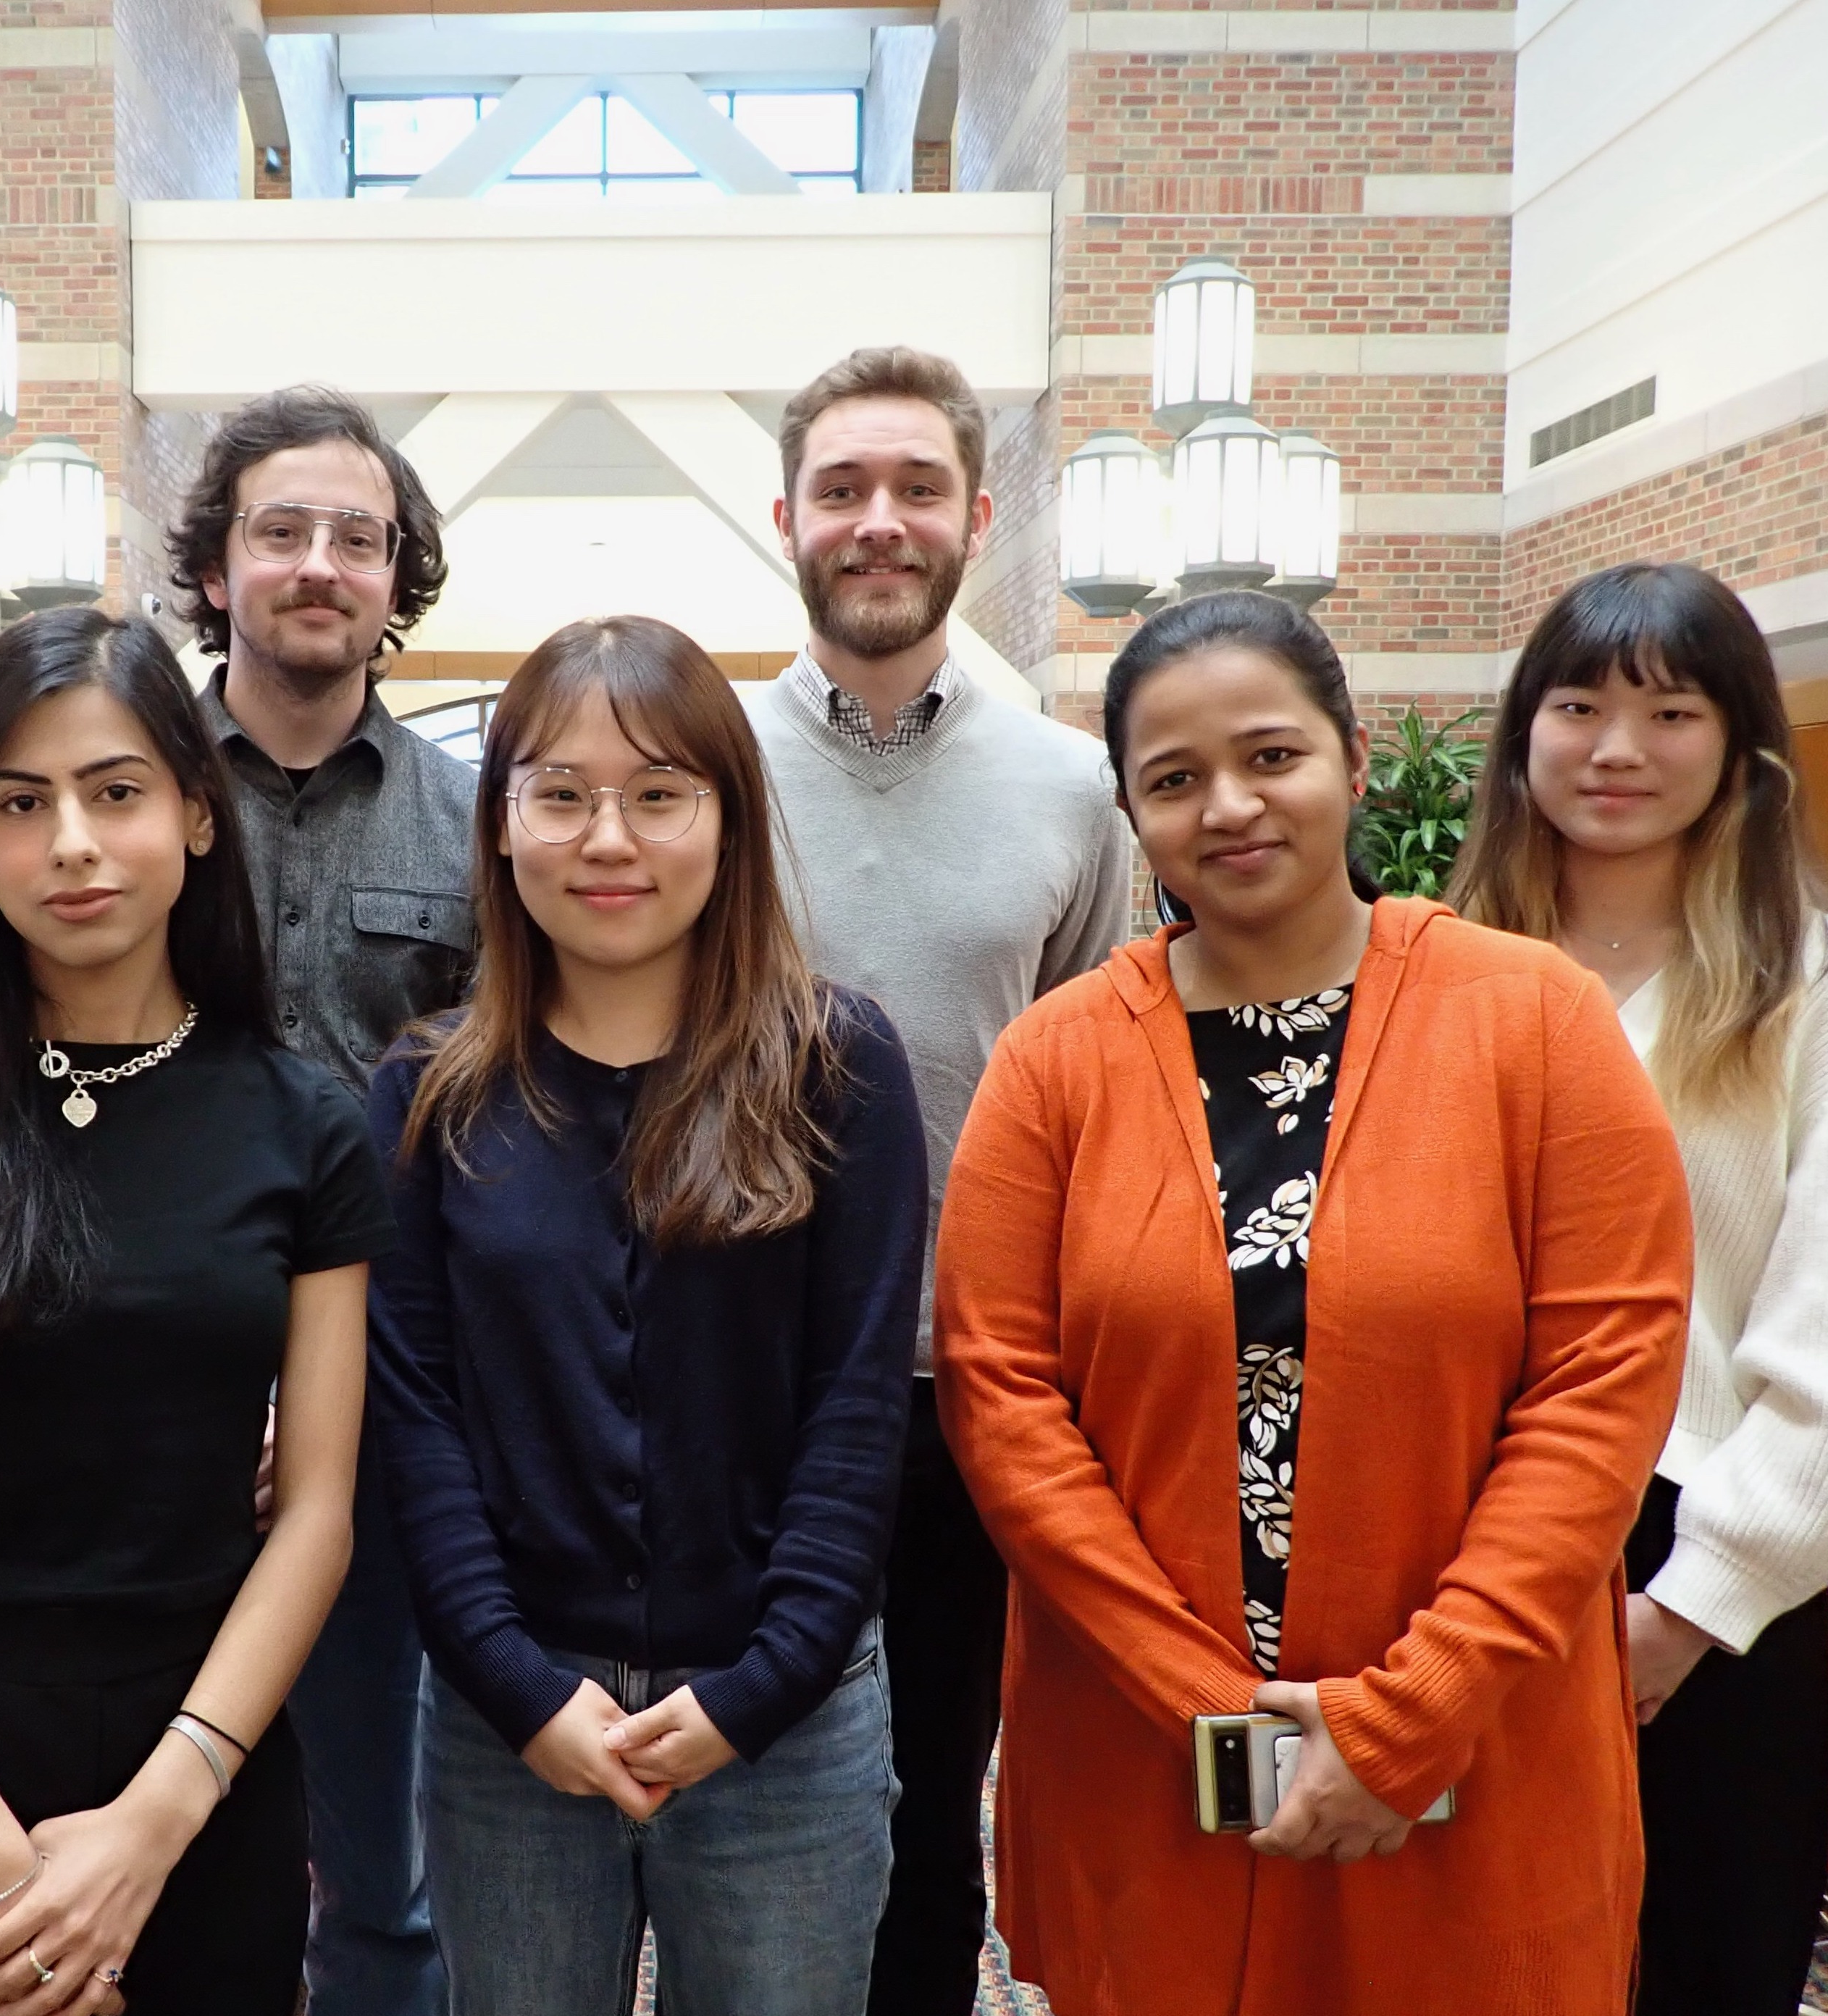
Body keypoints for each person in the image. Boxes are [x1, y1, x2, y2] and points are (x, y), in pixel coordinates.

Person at [936, 589, 1694, 2016]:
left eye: (1268, 755)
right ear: (1128, 814)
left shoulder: (1531, 1022)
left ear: (1350, 758)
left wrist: (1408, 1714)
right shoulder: (1051, 1064)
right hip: (1141, 1745)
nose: (1227, 806)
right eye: (1171, 780)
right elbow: (1001, 1400)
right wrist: (1206, 1707)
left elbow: (1602, 1387)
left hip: (1476, 1738)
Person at [0, 606, 390, 2012]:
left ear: (196, 814)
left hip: (201, 1783)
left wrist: (151, 1828)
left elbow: (317, 1514)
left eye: (115, 794)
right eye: (19, 803)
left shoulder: (305, 1130)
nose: (72, 846)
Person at [369, 615, 928, 2015]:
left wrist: (762, 1687)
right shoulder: (431, 1092)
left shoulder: (837, 1063)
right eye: (559, 793)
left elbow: (859, 1407)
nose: (607, 837)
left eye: (658, 794)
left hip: (783, 1721)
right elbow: (418, 1414)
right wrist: (512, 1681)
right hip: (515, 1727)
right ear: (500, 827)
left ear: (729, 822)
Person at [1446, 562, 1828, 2016]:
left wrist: (1682, 1612)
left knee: (1693, 1974)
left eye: (1668, 711)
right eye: (1576, 705)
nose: (1613, 748)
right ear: (1519, 735)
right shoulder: (1440, 971)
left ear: (1737, 746)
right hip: (1451, 1549)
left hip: (1706, 1565)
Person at [739, 346, 1133, 2016]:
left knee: (924, 1803)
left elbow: (1111, 1094)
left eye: (913, 490)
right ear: (786, 521)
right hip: (736, 1370)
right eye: (841, 490)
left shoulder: (1069, 785)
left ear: (975, 517)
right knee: (734, 1791)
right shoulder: (700, 764)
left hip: (971, 1386)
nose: (877, 523)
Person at [167, 384, 471, 2016]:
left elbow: (500, 1129)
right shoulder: (128, 791)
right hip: (134, 1401)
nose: (317, 564)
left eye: (357, 538)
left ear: (394, 580)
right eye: (279, 530)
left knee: (385, 1875)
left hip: (377, 1410)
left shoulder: (470, 823)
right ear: (215, 568)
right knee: (135, 1827)